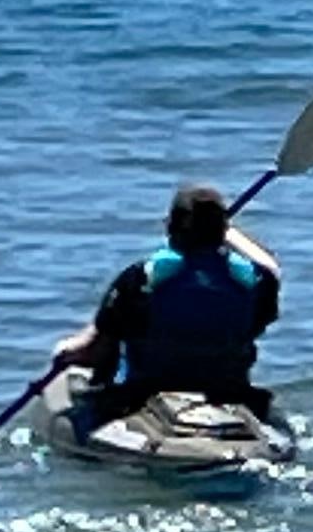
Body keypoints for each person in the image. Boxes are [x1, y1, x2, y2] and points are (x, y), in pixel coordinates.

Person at [55, 183, 283, 430]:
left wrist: (64, 354)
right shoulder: (253, 283)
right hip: (229, 393)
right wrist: (227, 231)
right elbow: (271, 270)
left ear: (170, 227)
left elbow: (95, 350)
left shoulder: (142, 278)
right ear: (223, 231)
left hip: (145, 395)